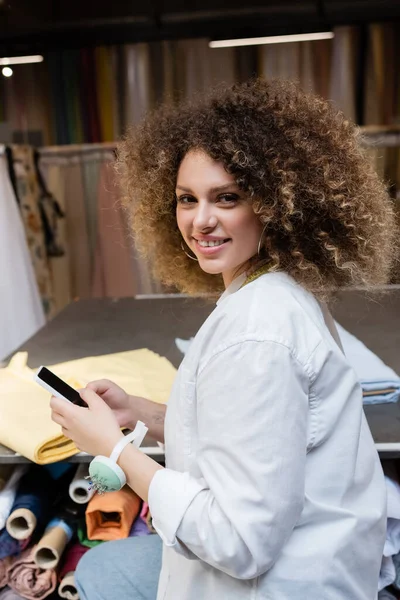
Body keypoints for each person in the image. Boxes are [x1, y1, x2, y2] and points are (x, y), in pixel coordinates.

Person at [50, 78, 397, 600]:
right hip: (322, 562)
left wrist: (115, 452)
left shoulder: (257, 336)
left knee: (100, 572)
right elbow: (256, 439)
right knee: (108, 568)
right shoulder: (276, 290)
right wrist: (148, 415)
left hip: (279, 586)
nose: (200, 220)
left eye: (227, 197)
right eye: (186, 199)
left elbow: (239, 543)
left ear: (274, 203)